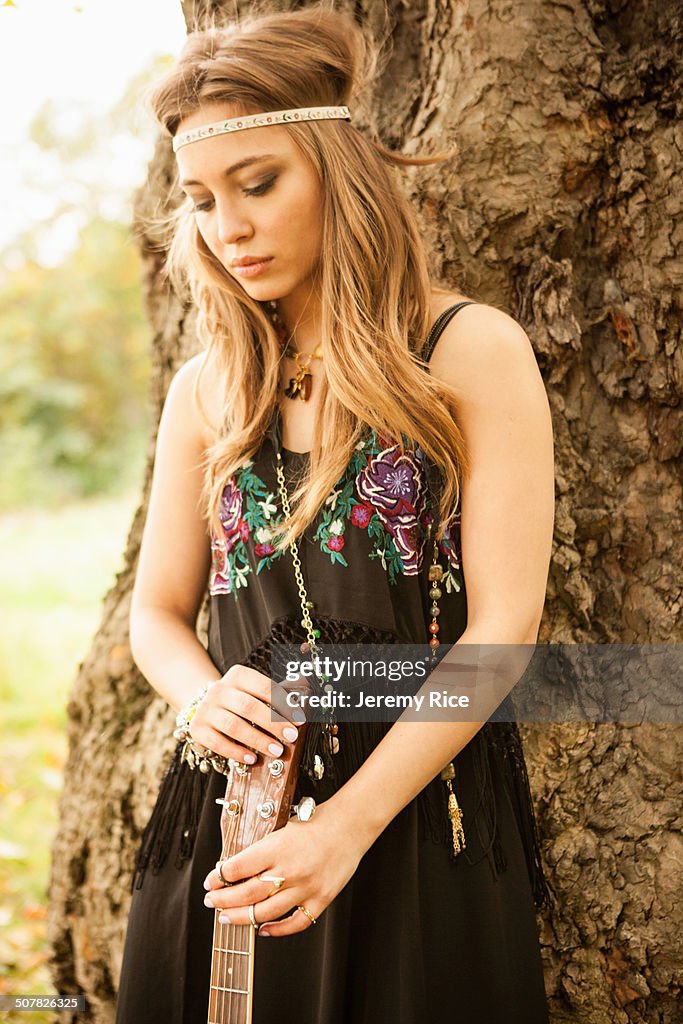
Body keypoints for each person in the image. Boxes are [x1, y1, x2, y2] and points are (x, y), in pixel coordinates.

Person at [115, 4, 555, 1022]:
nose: (228, 228)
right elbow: (156, 615)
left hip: (408, 816)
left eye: (258, 183)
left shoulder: (465, 351)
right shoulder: (206, 390)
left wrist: (345, 827)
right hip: (226, 828)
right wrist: (197, 699)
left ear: (335, 170)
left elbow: (502, 631)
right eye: (202, 200)